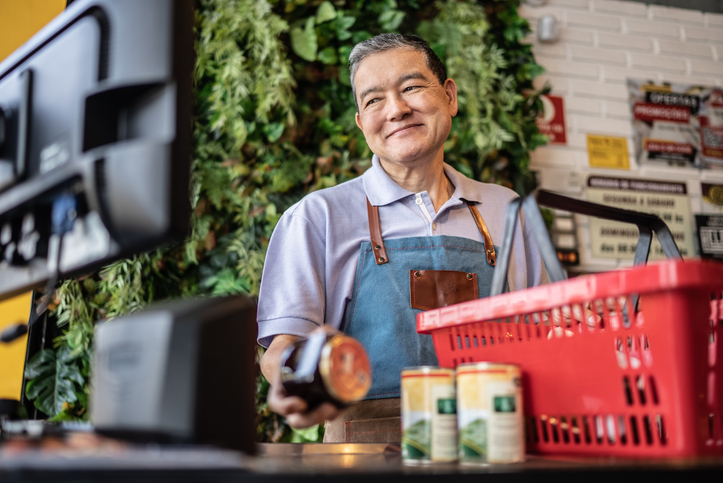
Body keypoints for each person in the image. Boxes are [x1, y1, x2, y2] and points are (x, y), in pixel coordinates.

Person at [257, 33, 549, 443]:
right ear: (361, 122)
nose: (396, 109)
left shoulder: (510, 210)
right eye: (374, 99)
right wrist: (296, 377)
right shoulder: (316, 218)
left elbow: (548, 328)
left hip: (497, 442)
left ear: (449, 96)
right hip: (363, 456)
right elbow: (283, 347)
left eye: (411, 87)